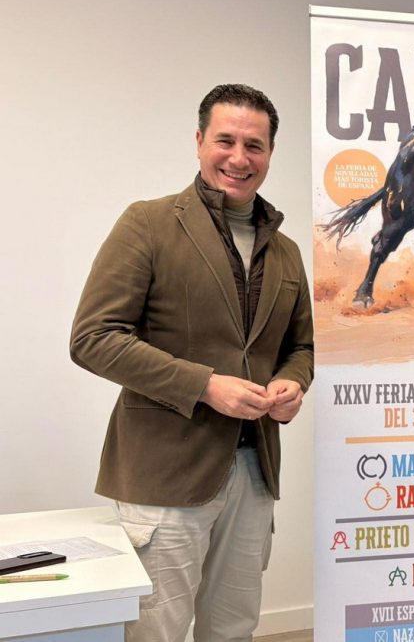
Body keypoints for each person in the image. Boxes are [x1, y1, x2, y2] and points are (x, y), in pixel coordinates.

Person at [70, 84, 314, 642]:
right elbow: (93, 337)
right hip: (165, 477)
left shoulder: (288, 251)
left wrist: (291, 383)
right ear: (200, 141)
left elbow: (301, 347)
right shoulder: (148, 223)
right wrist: (204, 385)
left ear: (270, 154)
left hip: (255, 474)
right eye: (225, 140)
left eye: (254, 145)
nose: (239, 157)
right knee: (156, 634)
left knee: (232, 631)